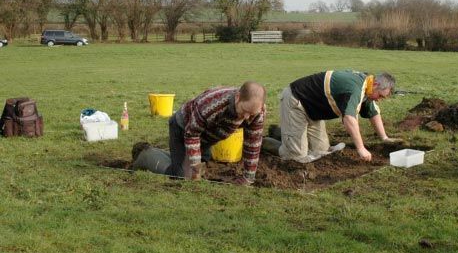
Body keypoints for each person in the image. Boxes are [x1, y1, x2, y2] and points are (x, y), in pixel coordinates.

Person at [132, 81, 266, 185]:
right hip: (183, 128)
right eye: (244, 110)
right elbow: (192, 135)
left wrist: (248, 178)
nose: (247, 117)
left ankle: (176, 157)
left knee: (197, 168)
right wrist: (195, 168)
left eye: (252, 113)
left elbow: (252, 144)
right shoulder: (212, 105)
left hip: (207, 137)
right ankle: (146, 155)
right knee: (180, 176)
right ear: (237, 97)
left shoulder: (257, 112)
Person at [263, 70, 398, 163]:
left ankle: (282, 132)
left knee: (321, 151)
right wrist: (361, 148)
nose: (379, 99)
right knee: (295, 156)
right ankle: (263, 142)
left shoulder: (368, 87)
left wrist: (384, 138)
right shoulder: (356, 88)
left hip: (313, 111)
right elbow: (349, 119)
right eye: (380, 96)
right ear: (376, 84)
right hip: (297, 102)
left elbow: (373, 113)